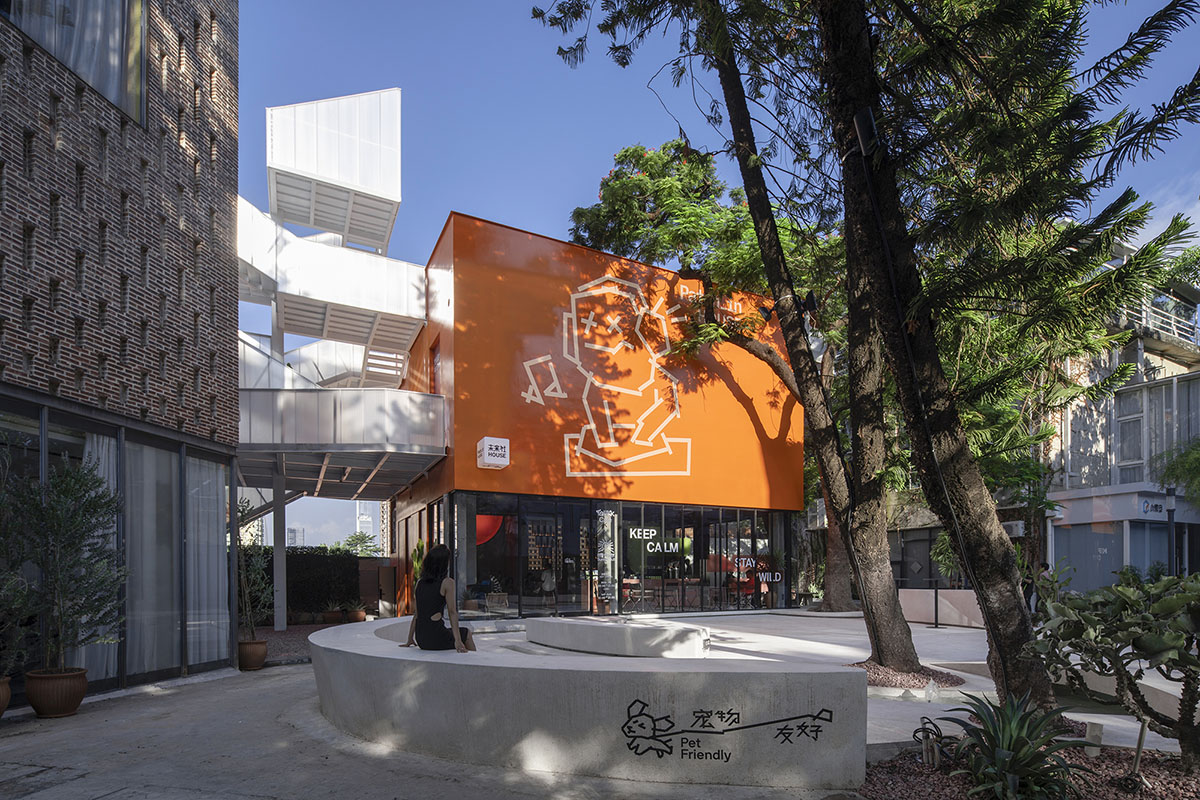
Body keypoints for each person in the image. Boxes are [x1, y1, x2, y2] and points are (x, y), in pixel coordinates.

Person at [402, 544, 475, 653]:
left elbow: (417, 613)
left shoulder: (419, 582)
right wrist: (458, 641)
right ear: (444, 563)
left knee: (454, 632)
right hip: (436, 637)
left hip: (421, 639)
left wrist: (410, 639)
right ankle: (475, 665)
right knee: (466, 633)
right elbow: (452, 612)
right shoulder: (447, 583)